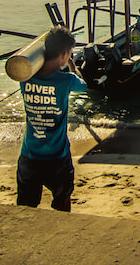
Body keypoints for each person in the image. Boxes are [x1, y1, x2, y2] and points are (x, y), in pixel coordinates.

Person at [16, 26, 86, 211]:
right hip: (57, 157)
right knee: (62, 203)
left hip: (29, 155)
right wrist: (72, 66)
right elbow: (83, 85)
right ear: (64, 54)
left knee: (26, 207)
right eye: (69, 53)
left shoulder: (25, 77)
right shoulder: (67, 80)